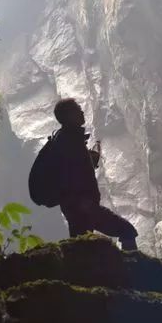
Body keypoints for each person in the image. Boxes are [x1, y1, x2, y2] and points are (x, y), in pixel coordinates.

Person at [51, 97, 138, 251]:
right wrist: (83, 203)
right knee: (127, 231)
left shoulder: (65, 139)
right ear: (70, 115)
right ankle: (132, 269)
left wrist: (89, 163)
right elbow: (69, 176)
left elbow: (69, 172)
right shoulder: (70, 141)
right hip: (83, 207)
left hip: (77, 208)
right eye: (78, 109)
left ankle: (83, 272)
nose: (82, 111)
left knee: (82, 248)